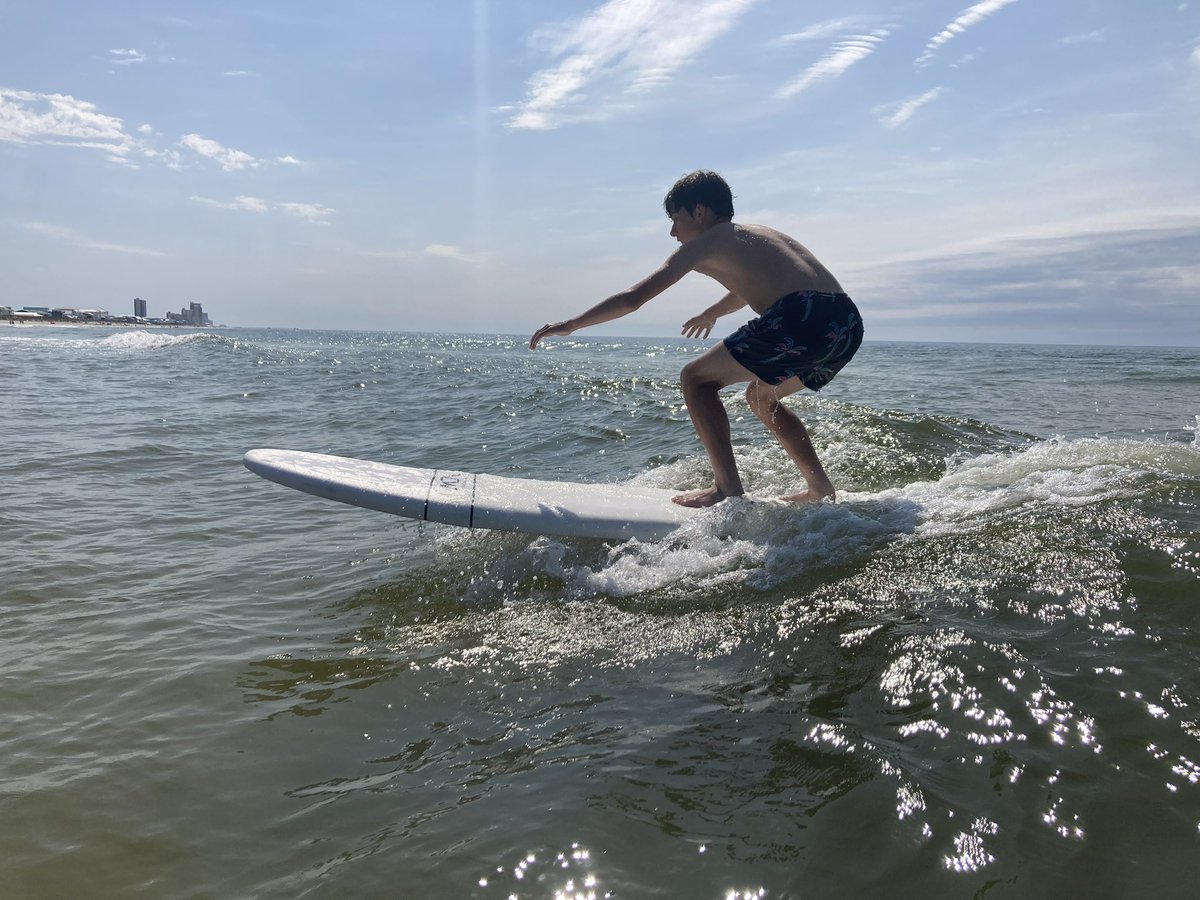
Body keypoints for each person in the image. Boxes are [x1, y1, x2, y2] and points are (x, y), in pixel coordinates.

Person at [529, 170, 863, 508]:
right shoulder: (760, 235)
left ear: (700, 212)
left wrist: (571, 324)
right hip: (845, 323)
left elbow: (633, 299)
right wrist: (713, 313)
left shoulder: (709, 241)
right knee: (763, 398)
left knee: (696, 379)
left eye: (676, 218)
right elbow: (753, 288)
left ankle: (726, 489)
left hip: (799, 317)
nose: (673, 232)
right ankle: (820, 488)